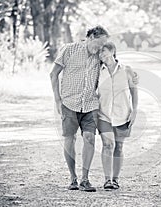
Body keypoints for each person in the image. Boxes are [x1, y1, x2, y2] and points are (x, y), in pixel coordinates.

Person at [50, 26, 109, 192]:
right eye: (98, 44)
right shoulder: (69, 50)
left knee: (90, 138)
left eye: (103, 45)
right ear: (90, 37)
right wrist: (57, 99)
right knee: (70, 139)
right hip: (69, 103)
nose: (99, 48)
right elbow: (53, 74)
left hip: (90, 104)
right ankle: (73, 178)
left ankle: (85, 179)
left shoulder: (100, 55)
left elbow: (113, 66)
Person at [97, 42, 138, 190]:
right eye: (99, 53)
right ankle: (107, 180)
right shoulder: (97, 71)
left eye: (104, 51)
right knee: (108, 145)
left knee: (119, 147)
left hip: (123, 114)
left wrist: (135, 110)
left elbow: (134, 90)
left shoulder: (126, 70)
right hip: (103, 115)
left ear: (113, 51)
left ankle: (116, 179)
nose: (101, 55)